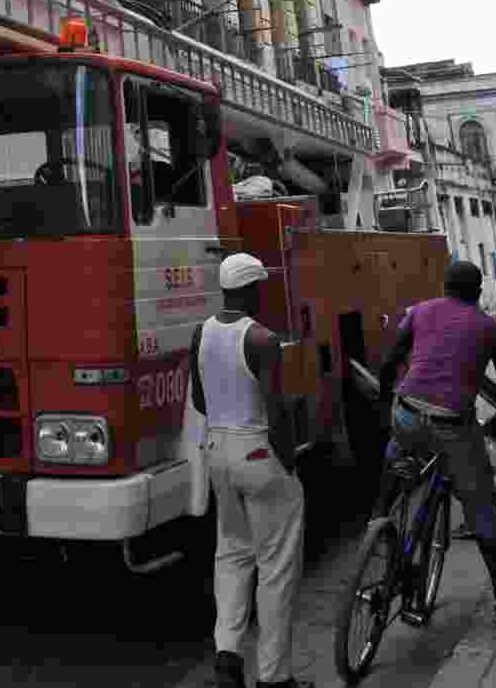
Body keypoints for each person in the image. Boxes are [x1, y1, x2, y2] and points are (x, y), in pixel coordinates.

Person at [375, 260, 496, 625]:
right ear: (478, 292)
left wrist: (387, 413)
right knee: (482, 504)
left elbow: (389, 364)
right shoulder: (491, 328)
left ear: (444, 287)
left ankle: (378, 524)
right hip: (452, 426)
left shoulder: (418, 311)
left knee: (394, 460)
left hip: (407, 413)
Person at [190, 252, 312, 688]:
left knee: (231, 554)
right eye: (260, 287)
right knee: (276, 567)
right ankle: (274, 677)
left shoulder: (200, 332)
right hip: (258, 451)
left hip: (217, 451)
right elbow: (277, 412)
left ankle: (227, 655)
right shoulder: (262, 338)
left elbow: (200, 400)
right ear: (250, 290)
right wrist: (289, 464)